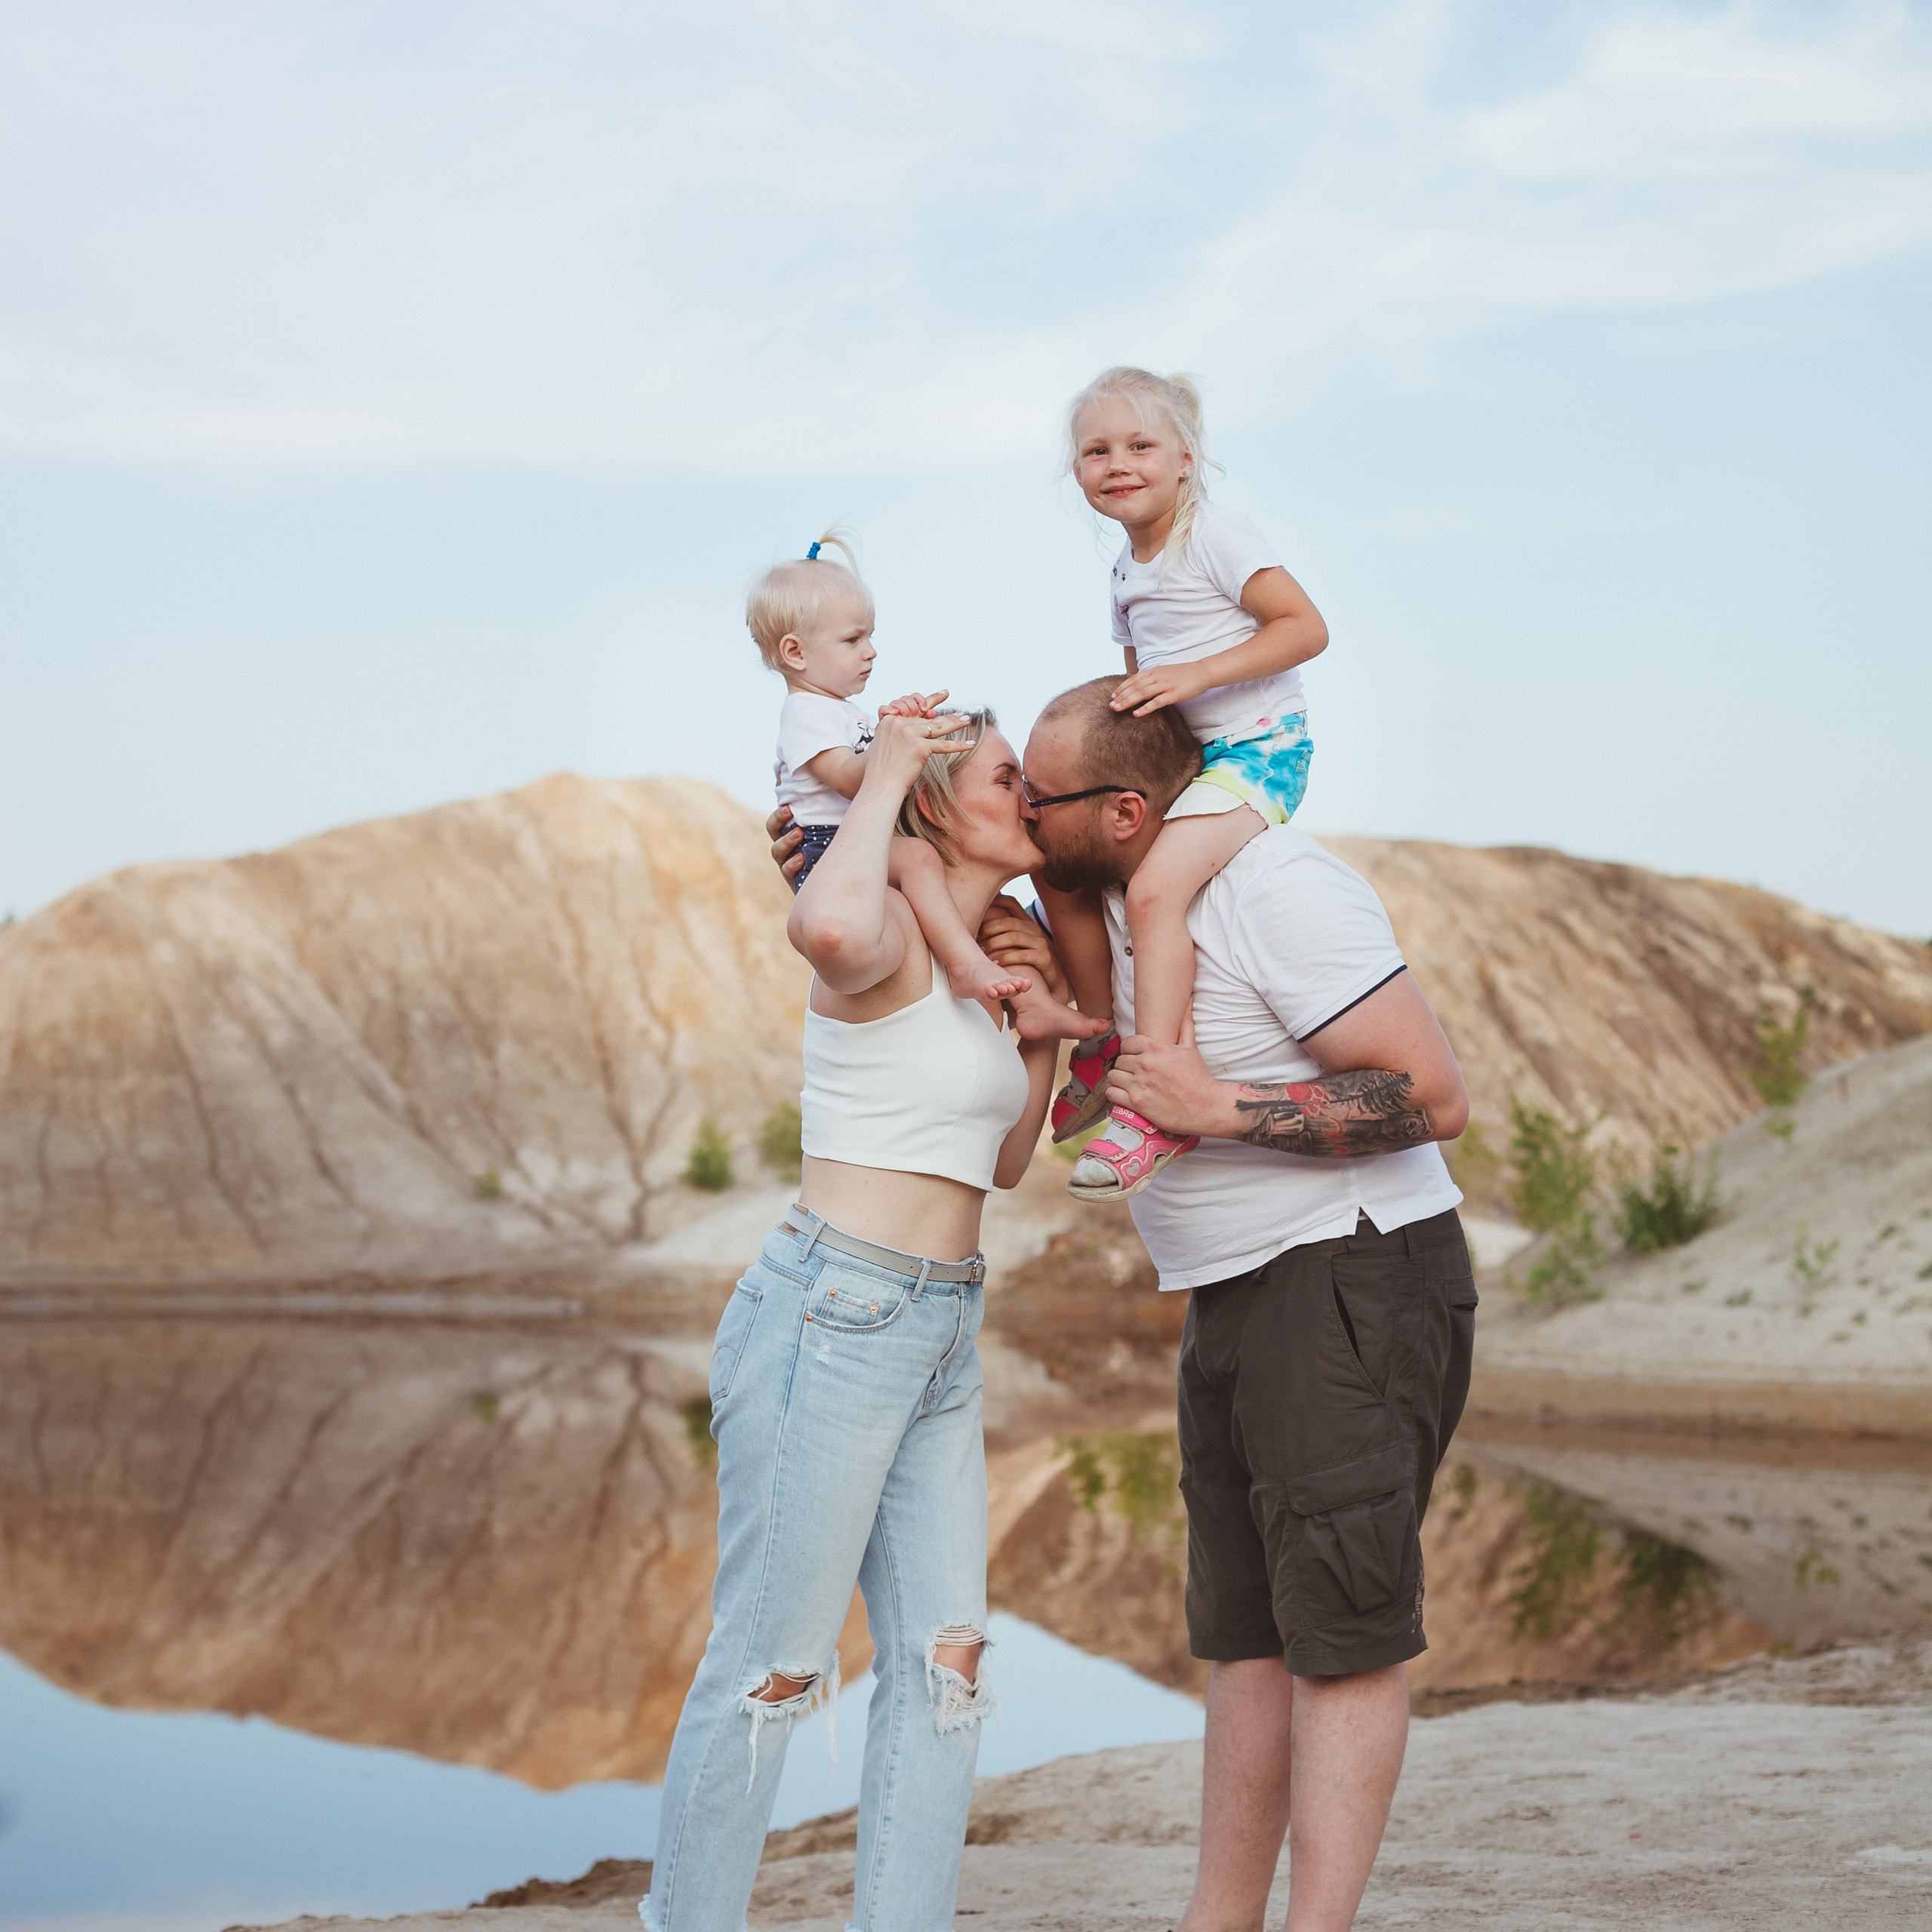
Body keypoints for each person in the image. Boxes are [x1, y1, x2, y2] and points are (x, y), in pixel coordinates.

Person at [1017, 676, 1475, 1932]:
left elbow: (1431, 1097)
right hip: (1231, 1291)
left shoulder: (1273, 889)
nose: (1015, 798)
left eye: (1034, 791)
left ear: (1122, 810)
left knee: (1341, 1630)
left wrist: (1223, 1112)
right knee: (1246, 1636)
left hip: (1349, 1273)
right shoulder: (1097, 904)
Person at [645, 705, 1063, 1932]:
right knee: (773, 1676)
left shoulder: (988, 950)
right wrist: (876, 776)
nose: (1031, 794)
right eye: (1005, 777)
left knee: (948, 1667)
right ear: (934, 798)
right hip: (832, 1315)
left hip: (941, 1325)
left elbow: (1006, 1164)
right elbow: (821, 921)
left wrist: (1034, 1035)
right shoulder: (873, 920)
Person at [1044, 368, 1331, 1201]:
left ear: (1185, 460)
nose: (1116, 463)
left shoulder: (1215, 534)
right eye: (1096, 450)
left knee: (1155, 892)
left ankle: (1161, 1092)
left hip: (1259, 753)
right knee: (1061, 863)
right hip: (1189, 762)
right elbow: (1141, 702)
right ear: (1077, 472)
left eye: (1139, 445)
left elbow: (1305, 628)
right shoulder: (1125, 576)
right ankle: (1102, 1034)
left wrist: (1195, 672)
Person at [751, 531, 1097, 1041]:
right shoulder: (807, 715)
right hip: (833, 851)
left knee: (967, 912)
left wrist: (896, 726)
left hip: (855, 847)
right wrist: (898, 743)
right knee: (917, 861)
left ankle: (1035, 1005)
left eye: (869, 637)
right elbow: (856, 780)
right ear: (795, 652)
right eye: (852, 640)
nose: (870, 652)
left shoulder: (841, 714)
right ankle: (968, 968)